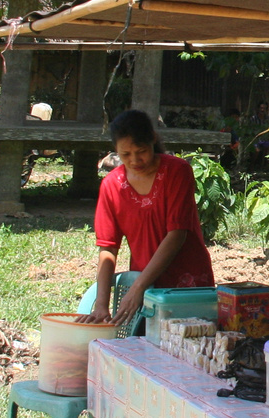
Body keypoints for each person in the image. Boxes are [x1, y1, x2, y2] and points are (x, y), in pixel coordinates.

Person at [80, 109, 214, 327]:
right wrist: (101, 304)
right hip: (145, 285)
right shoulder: (111, 186)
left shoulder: (177, 171)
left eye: (140, 151)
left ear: (153, 139)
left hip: (186, 281)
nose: (134, 160)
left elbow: (177, 234)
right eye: (125, 155)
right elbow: (108, 248)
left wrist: (138, 288)